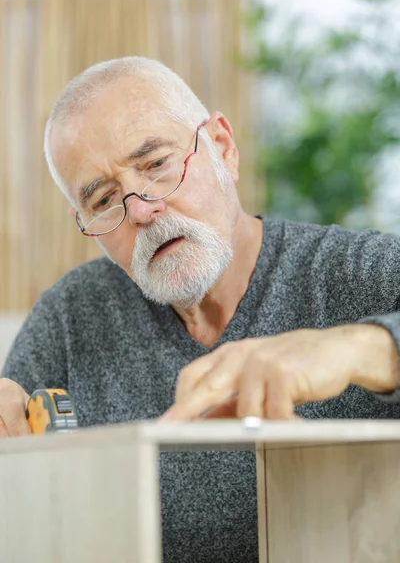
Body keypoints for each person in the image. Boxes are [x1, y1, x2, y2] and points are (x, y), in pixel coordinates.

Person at [1, 56, 400, 562]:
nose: (141, 210)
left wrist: (365, 348)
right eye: (103, 199)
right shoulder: (69, 316)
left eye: (156, 164)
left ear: (223, 149)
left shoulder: (359, 271)